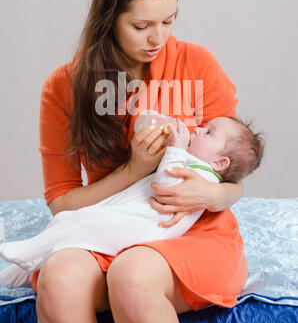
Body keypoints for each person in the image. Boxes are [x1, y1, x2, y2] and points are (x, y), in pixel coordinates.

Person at [30, 0, 249, 323]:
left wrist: (212, 192)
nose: (158, 39)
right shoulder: (64, 86)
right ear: (109, 19)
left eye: (169, 21)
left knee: (132, 275)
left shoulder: (198, 64)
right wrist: (133, 171)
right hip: (107, 229)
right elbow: (62, 204)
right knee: (59, 280)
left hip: (190, 233)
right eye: (141, 26)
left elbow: (231, 180)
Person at [0, 116, 264, 279]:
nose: (197, 129)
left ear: (220, 162)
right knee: (72, 219)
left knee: (84, 226)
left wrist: (176, 149)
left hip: (145, 229)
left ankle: (32, 254)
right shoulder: (195, 164)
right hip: (131, 215)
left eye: (208, 132)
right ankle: (31, 259)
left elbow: (166, 184)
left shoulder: (203, 175)